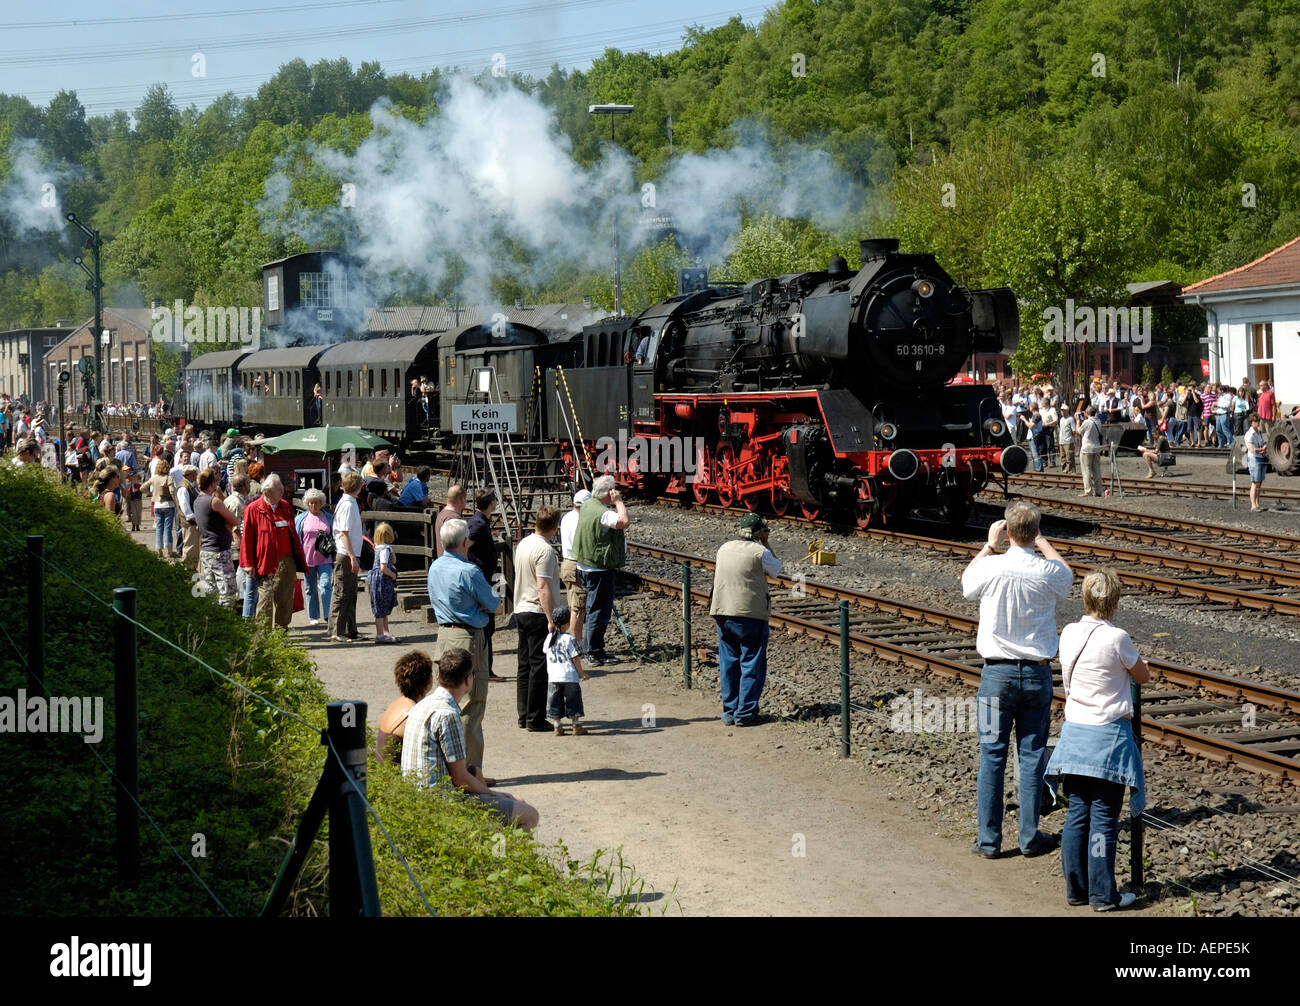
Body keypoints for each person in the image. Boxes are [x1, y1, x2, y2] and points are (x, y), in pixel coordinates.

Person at [961, 501, 1073, 859]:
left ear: (1007, 532)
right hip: (1037, 676)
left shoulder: (991, 566)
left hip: (996, 677)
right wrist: (1043, 542)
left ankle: (989, 841)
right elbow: (1067, 576)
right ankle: (1029, 838)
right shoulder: (1046, 571)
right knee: (1031, 756)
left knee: (992, 756)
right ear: (1035, 532)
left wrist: (989, 545)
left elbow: (966, 585)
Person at [1045, 571, 1148, 911]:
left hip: (1074, 735)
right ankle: (1103, 895)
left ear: (1086, 599)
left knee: (1077, 812)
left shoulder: (1069, 632)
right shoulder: (1117, 638)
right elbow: (1141, 675)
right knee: (1104, 817)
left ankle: (1076, 889)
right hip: (1107, 738)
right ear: (1114, 603)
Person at [400, 649, 538, 830]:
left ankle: (496, 851)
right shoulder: (448, 714)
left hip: (415, 798)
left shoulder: (422, 705)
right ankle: (498, 856)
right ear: (468, 680)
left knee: (513, 801)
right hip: (441, 803)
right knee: (529, 815)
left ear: (439, 676)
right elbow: (460, 778)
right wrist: (493, 793)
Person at [427, 518, 501, 779]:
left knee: (445, 701)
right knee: (472, 704)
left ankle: (448, 767)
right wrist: (481, 604)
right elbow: (494, 604)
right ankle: (471, 772)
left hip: (443, 636)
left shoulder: (434, 567)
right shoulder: (469, 571)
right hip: (468, 638)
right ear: (464, 543)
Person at [709, 512, 781, 726]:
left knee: (728, 663)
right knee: (751, 662)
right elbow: (776, 570)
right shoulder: (760, 552)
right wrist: (767, 543)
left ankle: (729, 712)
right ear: (760, 532)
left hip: (722, 611)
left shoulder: (724, 548)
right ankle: (746, 713)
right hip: (750, 614)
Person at [572, 475, 630, 665]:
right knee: (598, 611)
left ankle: (592, 649)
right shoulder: (603, 514)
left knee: (592, 608)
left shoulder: (588, 504)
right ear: (609, 492)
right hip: (598, 569)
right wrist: (619, 502)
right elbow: (623, 521)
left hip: (585, 565)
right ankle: (594, 653)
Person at [513, 506, 562, 731]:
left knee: (524, 665)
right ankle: (535, 718)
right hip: (536, 611)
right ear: (554, 527)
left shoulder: (523, 543)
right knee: (538, 667)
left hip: (520, 608)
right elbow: (542, 586)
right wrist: (551, 618)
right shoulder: (546, 551)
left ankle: (523, 714)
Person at [239, 473, 307, 628]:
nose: (282, 491)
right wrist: (248, 563)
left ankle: (281, 631)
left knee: (285, 599)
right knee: (265, 600)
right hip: (265, 561)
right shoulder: (253, 509)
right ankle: (263, 636)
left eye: (282, 488)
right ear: (267, 492)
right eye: (278, 489)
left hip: (287, 561)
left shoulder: (285, 506)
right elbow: (247, 539)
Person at [466, 489, 506, 682]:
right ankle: (484, 670)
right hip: (482, 580)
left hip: (487, 577)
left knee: (488, 625)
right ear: (491, 504)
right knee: (486, 625)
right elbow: (466, 544)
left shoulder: (481, 522)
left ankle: (485, 669)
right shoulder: (478, 524)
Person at [377, 650, 434, 766]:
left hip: (385, 777)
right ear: (428, 680)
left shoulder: (395, 704)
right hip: (398, 781)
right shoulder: (413, 714)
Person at [194, 467, 239, 607]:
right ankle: (227, 622)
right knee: (227, 590)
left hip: (206, 549)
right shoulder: (214, 501)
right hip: (219, 551)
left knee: (211, 589)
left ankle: (213, 619)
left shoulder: (197, 501)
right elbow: (235, 520)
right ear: (212, 484)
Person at [328, 472, 365, 642]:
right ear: (358, 486)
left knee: (350, 593)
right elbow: (344, 533)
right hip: (345, 553)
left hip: (349, 553)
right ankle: (336, 631)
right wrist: (352, 556)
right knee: (342, 592)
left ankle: (351, 629)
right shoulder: (348, 505)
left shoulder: (349, 502)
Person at [544, 604, 589, 735]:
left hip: (553, 677)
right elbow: (576, 658)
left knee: (554, 701)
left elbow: (545, 652)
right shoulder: (570, 639)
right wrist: (582, 674)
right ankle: (576, 725)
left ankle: (557, 726)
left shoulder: (549, 639)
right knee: (573, 701)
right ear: (568, 623)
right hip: (570, 677)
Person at [295, 488, 334, 627]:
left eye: (317, 502)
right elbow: (296, 538)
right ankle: (313, 616)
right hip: (307, 559)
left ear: (321, 503)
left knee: (325, 585)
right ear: (307, 503)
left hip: (325, 558)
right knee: (310, 588)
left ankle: (328, 615)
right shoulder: (300, 519)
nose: (314, 505)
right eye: (311, 503)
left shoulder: (328, 518)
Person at [559, 489, 592, 647]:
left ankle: (575, 641)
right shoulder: (581, 520)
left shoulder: (566, 517)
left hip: (567, 563)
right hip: (575, 564)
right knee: (577, 608)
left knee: (576, 605)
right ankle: (575, 644)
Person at [368, 521, 400, 644]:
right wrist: (393, 575)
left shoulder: (378, 547)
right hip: (382, 581)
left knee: (383, 608)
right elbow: (383, 567)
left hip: (377, 580)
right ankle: (380, 635)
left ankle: (385, 632)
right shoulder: (385, 550)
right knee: (381, 609)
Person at [145, 460, 177, 558]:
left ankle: (159, 549)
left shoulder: (154, 478)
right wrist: (176, 502)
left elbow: (143, 487)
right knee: (168, 528)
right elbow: (172, 491)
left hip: (157, 505)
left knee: (159, 528)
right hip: (168, 505)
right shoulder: (169, 478)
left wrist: (151, 494)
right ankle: (169, 550)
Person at [177, 464, 202, 572]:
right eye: (195, 473)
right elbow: (185, 508)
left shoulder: (190, 485)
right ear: (190, 475)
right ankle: (187, 570)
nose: (197, 475)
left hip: (193, 522)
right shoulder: (183, 487)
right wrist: (195, 519)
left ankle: (191, 568)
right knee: (190, 547)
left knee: (194, 547)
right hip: (189, 523)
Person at [1244, 412, 1269, 512]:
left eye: (1258, 421)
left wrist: (1264, 447)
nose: (1257, 423)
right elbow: (1251, 448)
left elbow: (1262, 443)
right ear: (1251, 422)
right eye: (1255, 421)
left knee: (1259, 483)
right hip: (1254, 458)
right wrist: (1261, 449)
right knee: (1255, 482)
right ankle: (1253, 505)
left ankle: (1257, 503)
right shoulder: (1249, 434)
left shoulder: (1258, 432)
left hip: (1260, 457)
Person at [1077, 405, 1102, 497]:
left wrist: (1078, 420)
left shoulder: (1087, 422)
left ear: (1087, 413)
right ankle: (1098, 491)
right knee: (1096, 470)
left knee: (1086, 470)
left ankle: (1088, 490)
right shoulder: (1098, 421)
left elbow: (1078, 431)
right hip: (1096, 448)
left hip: (1087, 449)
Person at [434, 484, 466, 558]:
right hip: (454, 564)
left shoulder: (442, 514)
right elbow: (458, 547)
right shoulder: (453, 519)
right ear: (461, 499)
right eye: (465, 498)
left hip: (444, 562)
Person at [1057, 404, 1077, 475]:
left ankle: (1071, 471)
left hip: (1068, 441)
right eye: (1061, 411)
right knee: (1063, 457)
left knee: (1069, 457)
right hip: (1061, 441)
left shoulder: (1070, 419)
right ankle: (1064, 471)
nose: (1062, 412)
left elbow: (1074, 430)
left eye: (1064, 411)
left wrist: (1070, 438)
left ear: (1067, 411)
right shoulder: (1061, 419)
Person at [122, 466, 143, 531]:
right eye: (126, 470)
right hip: (126, 496)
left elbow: (134, 489)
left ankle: (136, 525)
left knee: (136, 513)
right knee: (128, 509)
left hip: (134, 498)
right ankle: (130, 521)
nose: (127, 471)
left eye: (128, 470)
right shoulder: (121, 479)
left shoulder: (131, 479)